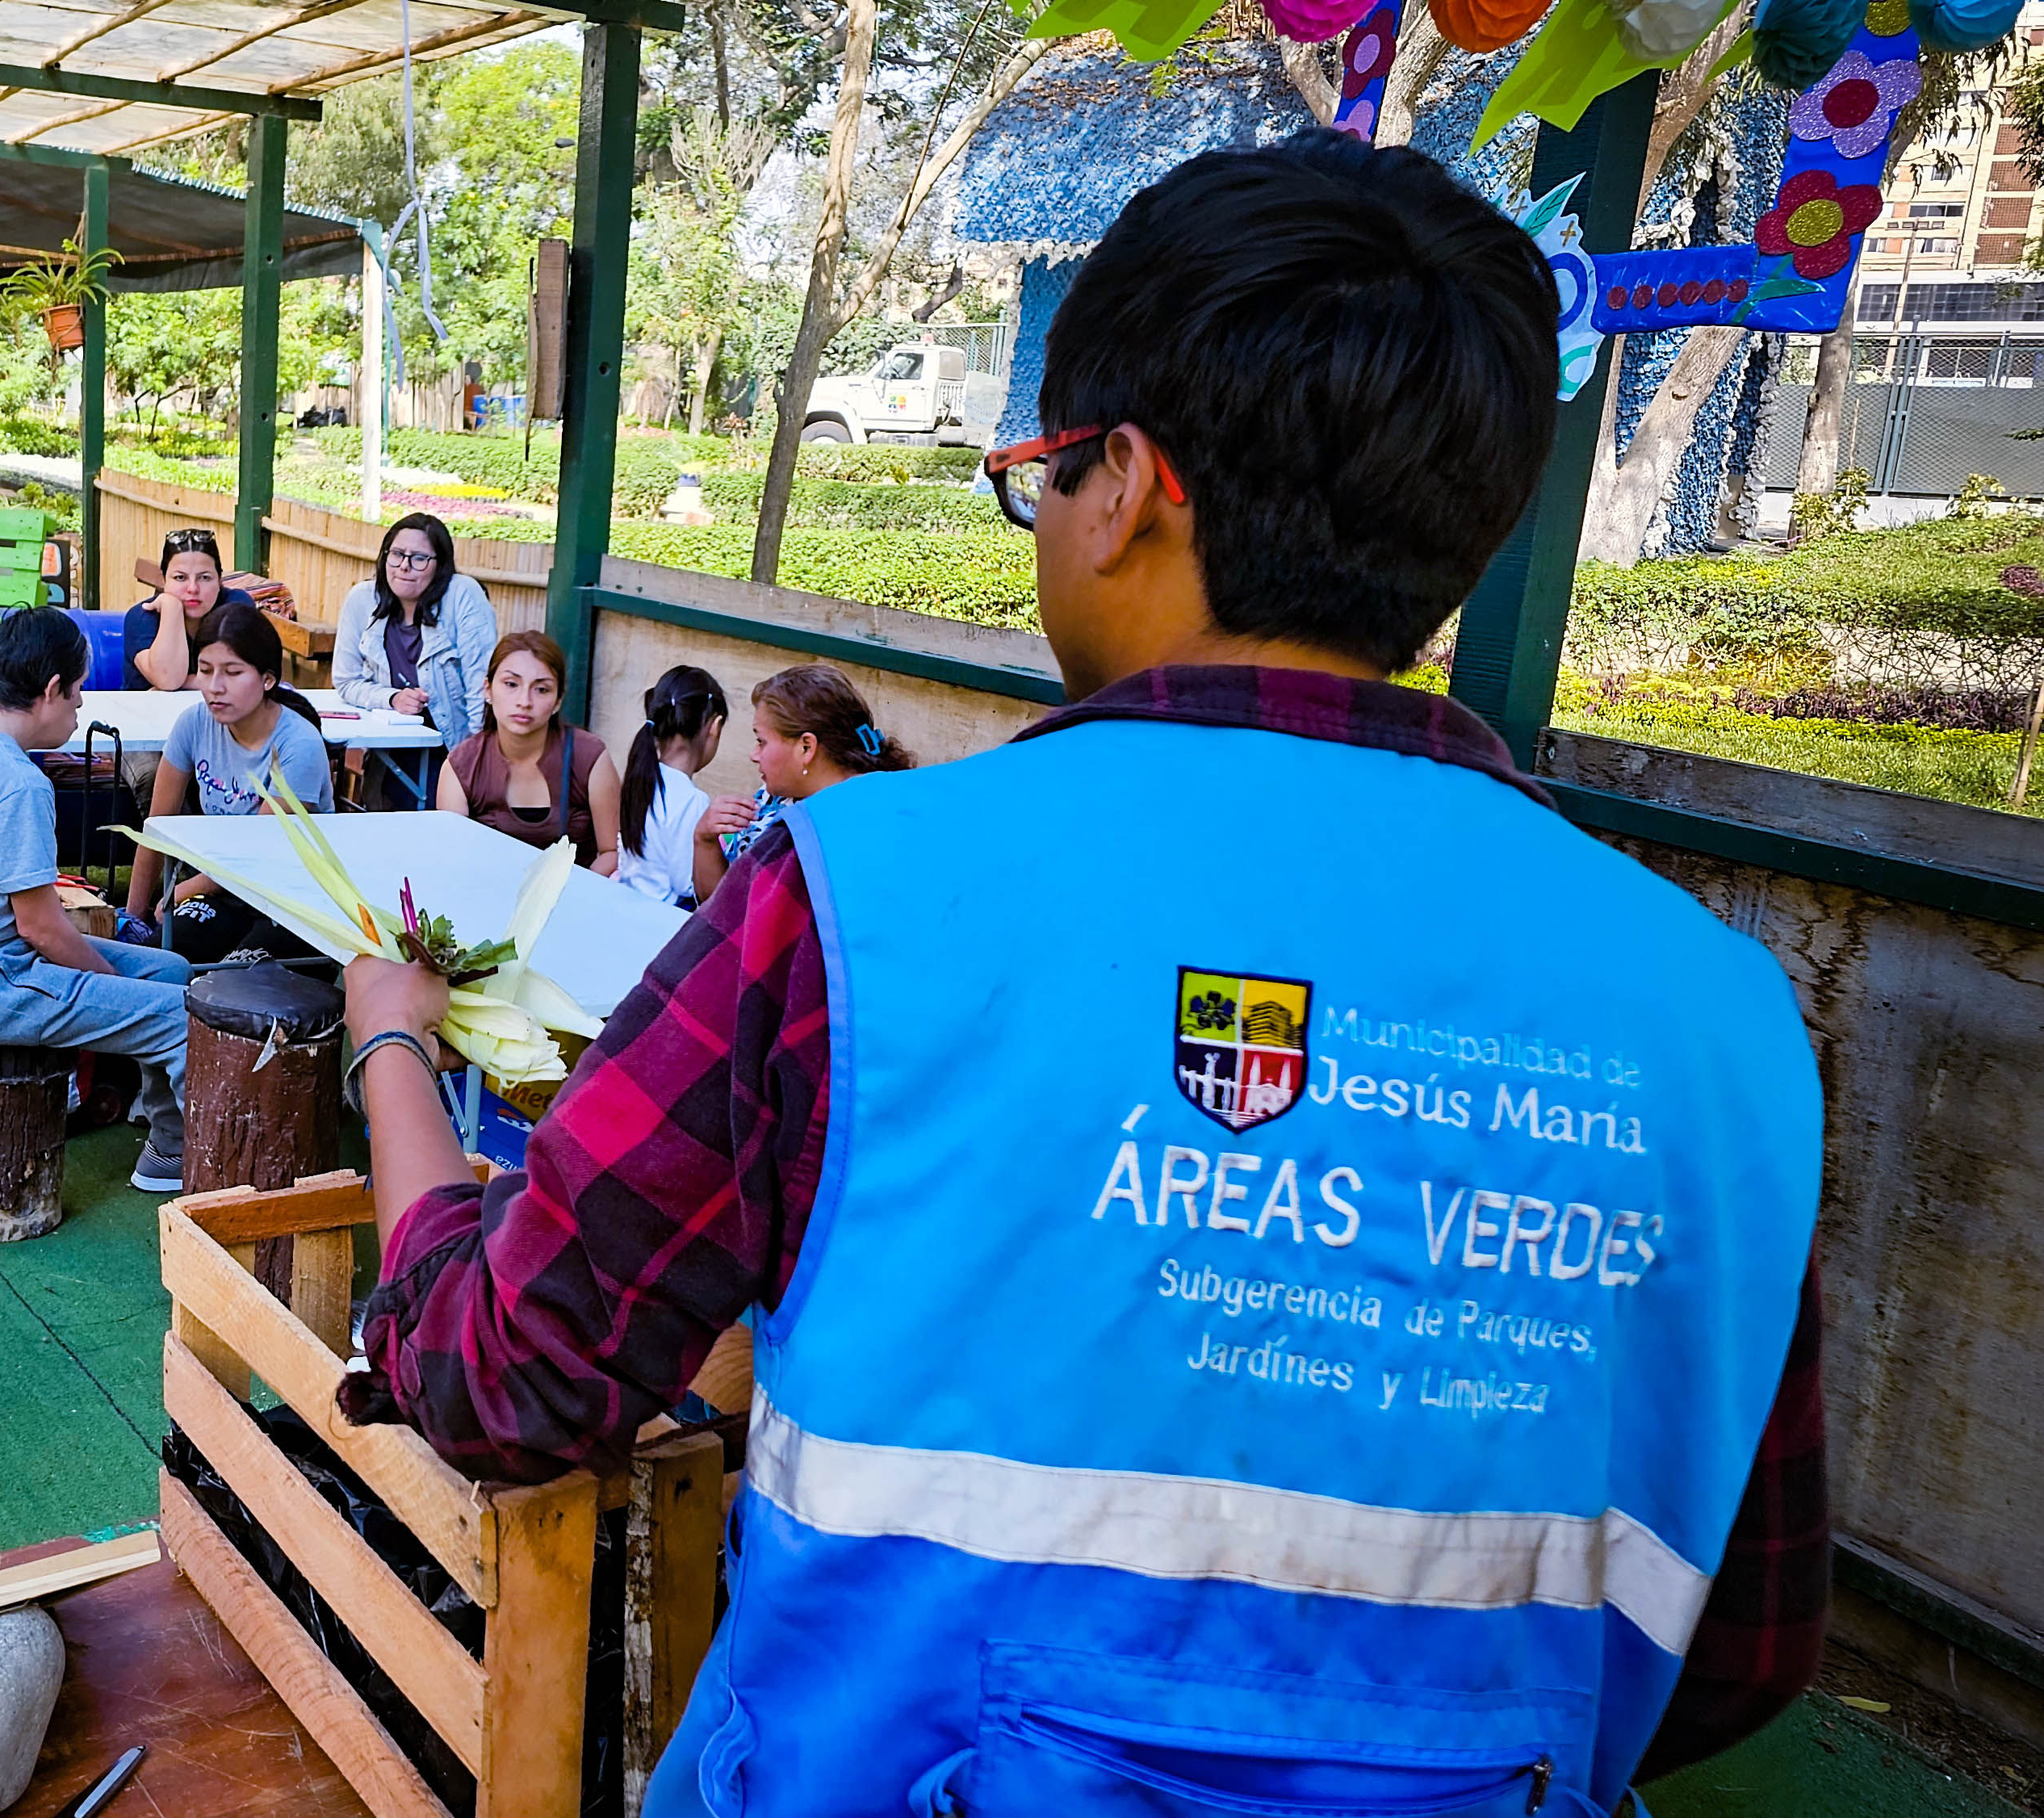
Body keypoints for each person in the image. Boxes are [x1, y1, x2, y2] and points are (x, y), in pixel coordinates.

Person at [337, 133, 1826, 1814]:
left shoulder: (847, 899)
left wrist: (394, 1048)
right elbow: (1738, 1648)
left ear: (1121, 481)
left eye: (1035, 474)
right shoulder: (1720, 1021)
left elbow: (499, 1368)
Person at [0, 609, 196, 1192]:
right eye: (79, 691)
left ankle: (164, 1143)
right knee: (179, 1016)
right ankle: (203, 1167)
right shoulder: (14, 781)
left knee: (173, 970)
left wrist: (119, 984)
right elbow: (42, 931)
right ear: (53, 689)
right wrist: (115, 984)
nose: (81, 706)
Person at [125, 603, 329, 962]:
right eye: (205, 671)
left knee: (234, 985)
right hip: (223, 894)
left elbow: (257, 855)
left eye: (233, 673)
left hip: (292, 899)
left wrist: (183, 890)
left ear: (268, 679)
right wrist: (133, 919)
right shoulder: (193, 724)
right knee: (153, 963)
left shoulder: (299, 744)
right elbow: (156, 828)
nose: (215, 687)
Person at [435, 630, 622, 871]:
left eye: (541, 689)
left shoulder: (590, 757)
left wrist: (575, 899)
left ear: (558, 701)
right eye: (511, 684)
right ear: (488, 690)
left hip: (579, 898)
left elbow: (612, 852)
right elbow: (454, 858)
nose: (524, 701)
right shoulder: (460, 767)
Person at [716, 662, 912, 861]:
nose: (754, 755)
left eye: (761, 742)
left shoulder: (852, 825)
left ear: (806, 747)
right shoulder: (778, 795)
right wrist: (704, 840)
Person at [331, 513, 497, 745]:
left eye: (419, 558)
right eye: (397, 555)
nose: (404, 566)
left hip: (452, 745)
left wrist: (473, 758)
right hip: (388, 743)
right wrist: (392, 698)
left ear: (440, 565)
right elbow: (346, 681)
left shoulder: (463, 595)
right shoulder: (362, 599)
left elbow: (480, 689)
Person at [612, 665, 753, 909]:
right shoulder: (692, 800)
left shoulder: (640, 777)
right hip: (664, 916)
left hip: (628, 901)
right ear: (715, 727)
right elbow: (687, 885)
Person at [124, 526, 255, 692]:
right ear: (164, 580)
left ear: (219, 580)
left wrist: (185, 683)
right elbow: (168, 680)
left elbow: (247, 673)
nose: (193, 589)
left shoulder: (236, 606)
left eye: (205, 578)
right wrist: (172, 609)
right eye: (180, 578)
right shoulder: (142, 616)